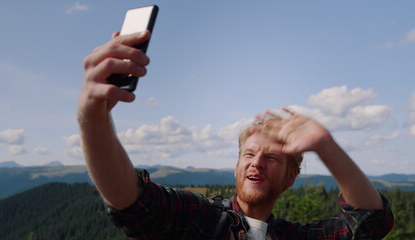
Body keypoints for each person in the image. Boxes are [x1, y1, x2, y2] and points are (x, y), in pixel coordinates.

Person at [78, 30, 394, 239]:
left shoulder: (292, 236)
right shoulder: (199, 220)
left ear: (290, 178)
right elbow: (131, 201)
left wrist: (327, 147)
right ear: (237, 167)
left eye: (272, 158)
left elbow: (370, 224)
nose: (256, 163)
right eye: (249, 154)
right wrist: (92, 117)